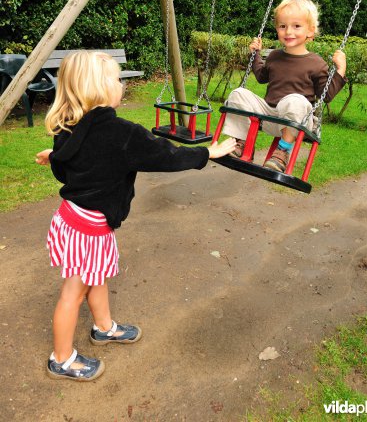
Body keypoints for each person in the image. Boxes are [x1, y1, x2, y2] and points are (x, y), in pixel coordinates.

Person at [36, 50, 236, 382]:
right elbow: (166, 155)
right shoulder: (121, 133)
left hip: (73, 219)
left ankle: (103, 327)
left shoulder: (70, 125)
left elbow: (67, 164)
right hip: (88, 229)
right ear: (99, 87)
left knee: (96, 277)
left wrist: (54, 156)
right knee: (73, 292)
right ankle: (61, 358)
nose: (121, 84)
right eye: (116, 79)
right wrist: (207, 152)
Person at [222, 0, 347, 172]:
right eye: (283, 26)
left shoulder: (316, 63)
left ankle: (282, 152)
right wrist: (254, 55)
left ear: (310, 31)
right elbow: (260, 76)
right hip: (269, 115)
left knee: (294, 100)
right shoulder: (274, 56)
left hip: (296, 121)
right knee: (238, 94)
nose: (288, 31)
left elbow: (326, 95)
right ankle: (241, 142)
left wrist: (340, 69)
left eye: (296, 26)